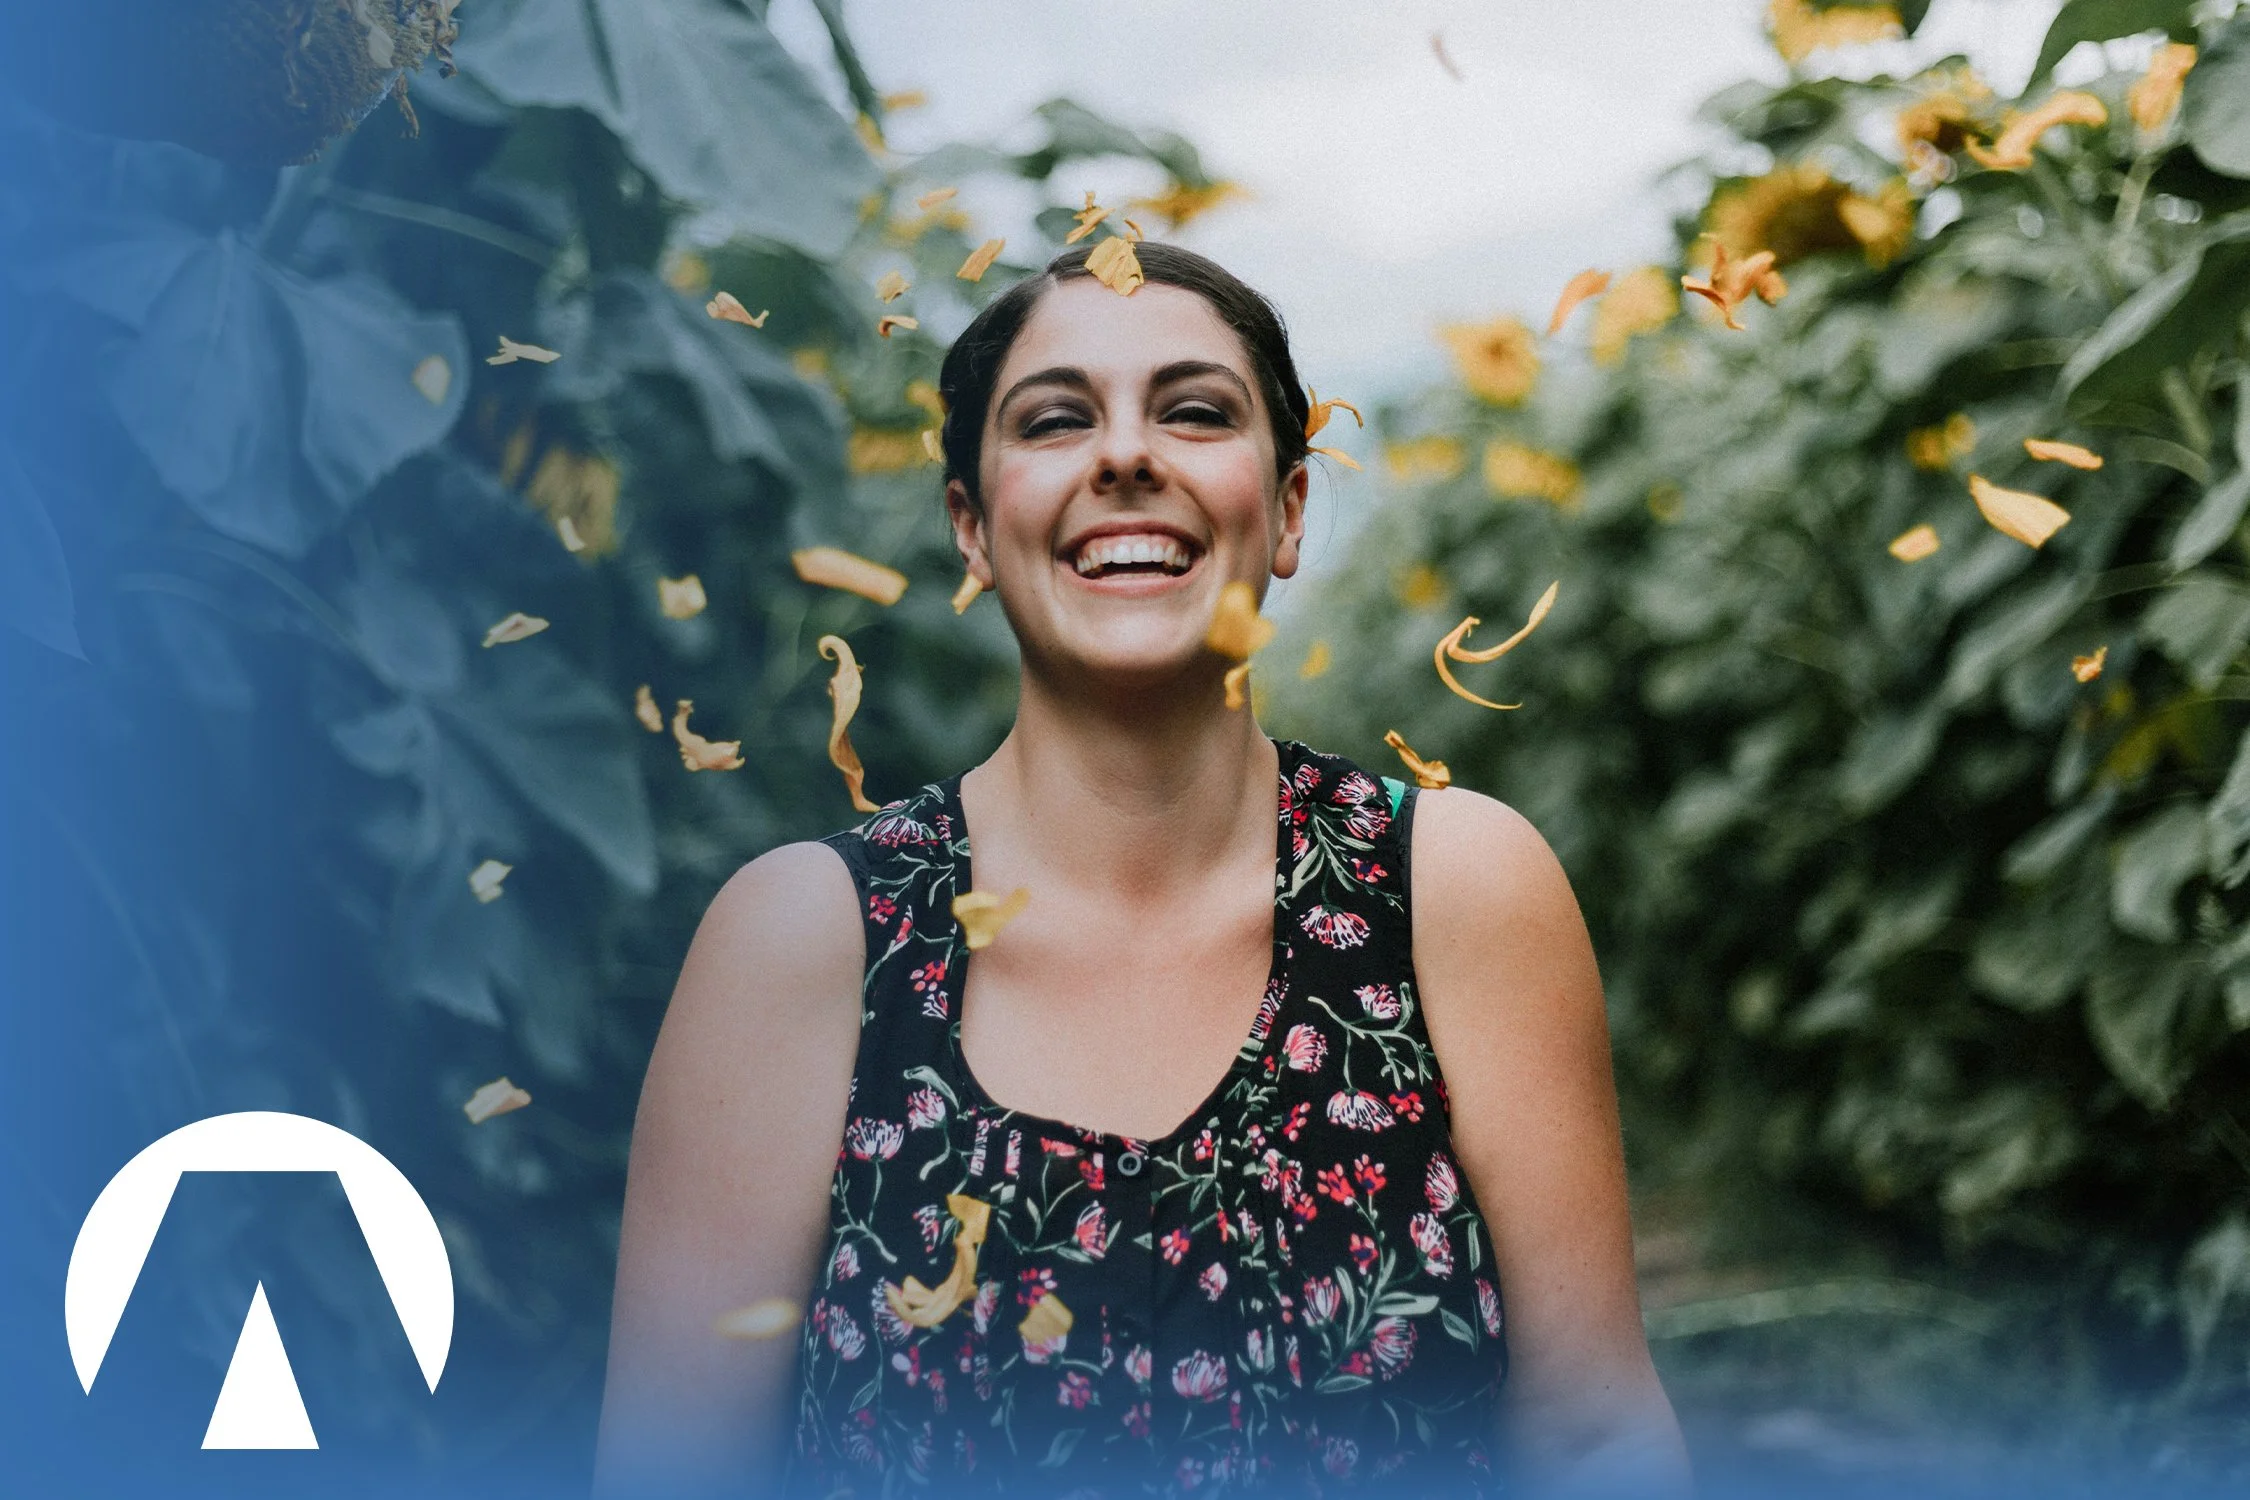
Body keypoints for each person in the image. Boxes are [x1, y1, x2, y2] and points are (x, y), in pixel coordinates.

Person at [593, 242, 1691, 1498]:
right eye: (1057, 420)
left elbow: (1597, 1438)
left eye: (1195, 412)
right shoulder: (806, 942)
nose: (1126, 456)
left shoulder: (1454, 890)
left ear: (1284, 512)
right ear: (971, 528)